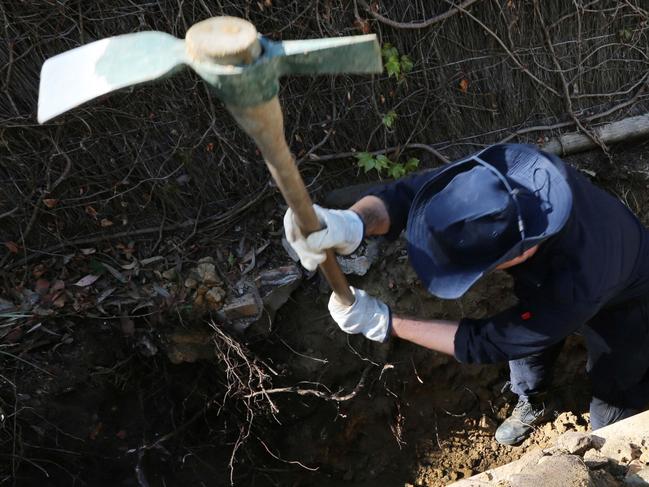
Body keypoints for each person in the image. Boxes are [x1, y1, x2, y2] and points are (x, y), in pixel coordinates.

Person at [284, 144, 649, 445]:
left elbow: (490, 341)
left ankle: (612, 438)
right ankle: (535, 401)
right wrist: (353, 222)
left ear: (518, 252)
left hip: (629, 296)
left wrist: (386, 322)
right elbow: (409, 194)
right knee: (528, 355)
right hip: (556, 272)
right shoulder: (506, 175)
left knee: (615, 383)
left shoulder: (578, 284)